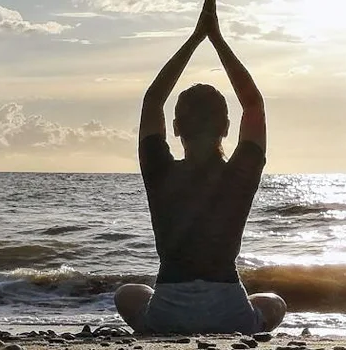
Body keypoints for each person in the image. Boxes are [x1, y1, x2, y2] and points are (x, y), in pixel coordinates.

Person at [113, 0, 285, 335]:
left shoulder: (159, 170)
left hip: (167, 314)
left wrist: (195, 39)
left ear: (176, 128)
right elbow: (253, 103)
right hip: (230, 313)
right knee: (274, 302)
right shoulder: (240, 173)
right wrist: (216, 39)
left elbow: (152, 101)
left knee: (127, 295)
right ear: (225, 127)